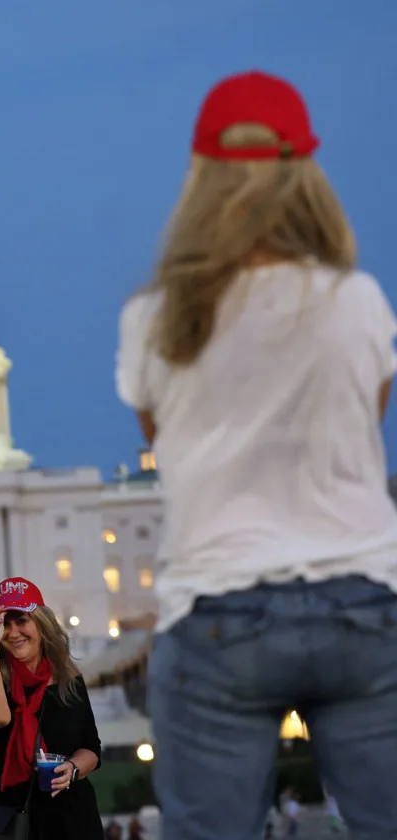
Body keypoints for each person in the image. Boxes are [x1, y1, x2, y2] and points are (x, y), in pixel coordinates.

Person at [115, 69, 397, 840]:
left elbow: (162, 447)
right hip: (364, 603)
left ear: (198, 178)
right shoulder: (360, 302)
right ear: (306, 175)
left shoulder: (156, 320)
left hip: (217, 611)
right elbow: (363, 439)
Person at [0, 576, 104, 839]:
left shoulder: (67, 675)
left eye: (21, 621)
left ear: (41, 623)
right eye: (4, 624)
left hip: (71, 817)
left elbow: (92, 747)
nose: (13, 632)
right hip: (10, 819)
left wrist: (72, 769)